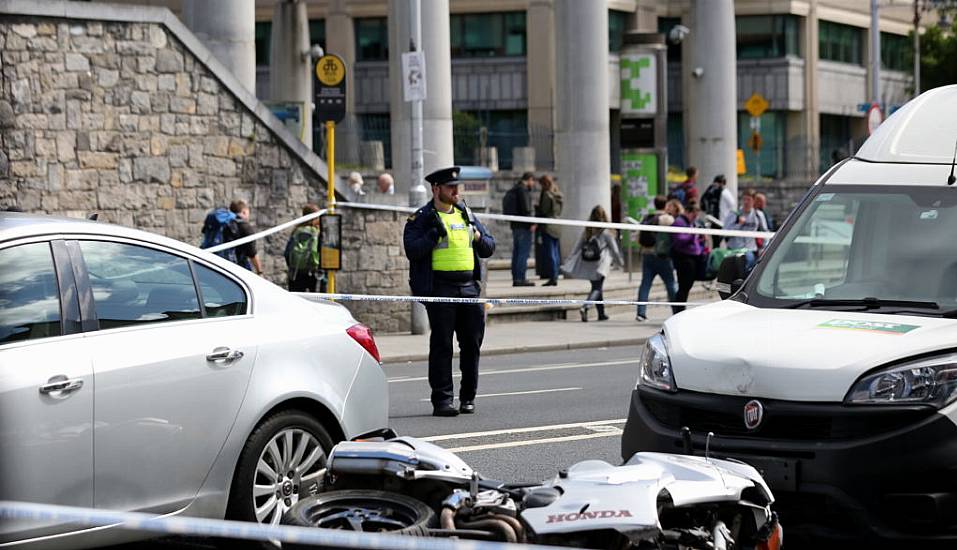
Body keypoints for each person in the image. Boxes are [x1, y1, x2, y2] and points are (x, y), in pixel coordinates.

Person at [403, 166, 496, 417]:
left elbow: (489, 247)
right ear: (436, 189)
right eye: (450, 187)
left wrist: (477, 236)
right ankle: (443, 400)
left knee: (472, 344)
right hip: (441, 289)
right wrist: (433, 236)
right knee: (442, 345)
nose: (456, 191)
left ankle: (468, 398)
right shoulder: (422, 218)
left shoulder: (466, 214)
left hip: (468, 289)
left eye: (458, 187)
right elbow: (412, 250)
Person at [561, 205, 624, 322]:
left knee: (596, 286)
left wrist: (569, 258)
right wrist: (620, 261)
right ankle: (586, 307)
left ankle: (601, 313)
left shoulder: (588, 230)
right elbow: (614, 249)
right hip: (601, 263)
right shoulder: (606, 231)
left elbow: (577, 246)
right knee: (597, 287)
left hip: (588, 262)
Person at [636, 195, 678, 321]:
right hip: (663, 257)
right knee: (670, 284)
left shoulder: (646, 217)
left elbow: (638, 237)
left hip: (647, 255)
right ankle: (676, 312)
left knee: (645, 284)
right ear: (665, 205)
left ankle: (641, 313)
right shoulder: (668, 219)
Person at [668, 199, 707, 313]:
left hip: (692, 258)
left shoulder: (690, 223)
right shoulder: (679, 222)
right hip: (683, 259)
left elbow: (693, 239)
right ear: (689, 212)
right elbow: (679, 240)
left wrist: (699, 238)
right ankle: (678, 310)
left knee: (686, 287)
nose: (695, 217)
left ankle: (680, 309)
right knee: (683, 287)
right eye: (694, 214)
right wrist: (693, 234)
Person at [503, 172, 536, 286]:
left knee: (517, 252)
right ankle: (520, 278)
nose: (533, 184)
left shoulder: (514, 189)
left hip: (515, 225)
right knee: (523, 253)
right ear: (529, 179)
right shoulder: (523, 190)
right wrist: (531, 223)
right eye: (533, 181)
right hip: (523, 226)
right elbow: (525, 208)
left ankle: (516, 277)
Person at [723, 190, 768, 271]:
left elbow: (765, 232)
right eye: (744, 199)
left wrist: (765, 248)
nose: (746, 202)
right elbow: (725, 233)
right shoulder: (734, 214)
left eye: (748, 200)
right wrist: (738, 224)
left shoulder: (758, 215)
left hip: (751, 251)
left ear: (754, 201)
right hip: (735, 250)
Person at [284, 203, 324, 292]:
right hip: (312, 273)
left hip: (296, 272)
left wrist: (293, 266)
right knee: (314, 300)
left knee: (296, 300)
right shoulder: (317, 232)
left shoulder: (296, 231)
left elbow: (287, 253)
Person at [536, 174, 563, 286]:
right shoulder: (558, 194)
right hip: (557, 224)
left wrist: (538, 209)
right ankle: (555, 274)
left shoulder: (547, 195)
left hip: (548, 225)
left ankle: (553, 277)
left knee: (550, 252)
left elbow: (544, 210)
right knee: (556, 252)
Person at [699, 174, 736, 248]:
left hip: (712, 220)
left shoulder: (710, 190)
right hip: (723, 221)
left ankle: (716, 256)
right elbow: (732, 204)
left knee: (715, 243)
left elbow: (703, 202)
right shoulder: (725, 192)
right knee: (728, 242)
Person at [229, 200, 262, 275]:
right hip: (238, 267)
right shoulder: (245, 227)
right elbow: (252, 253)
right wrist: (259, 272)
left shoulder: (225, 224)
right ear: (244, 212)